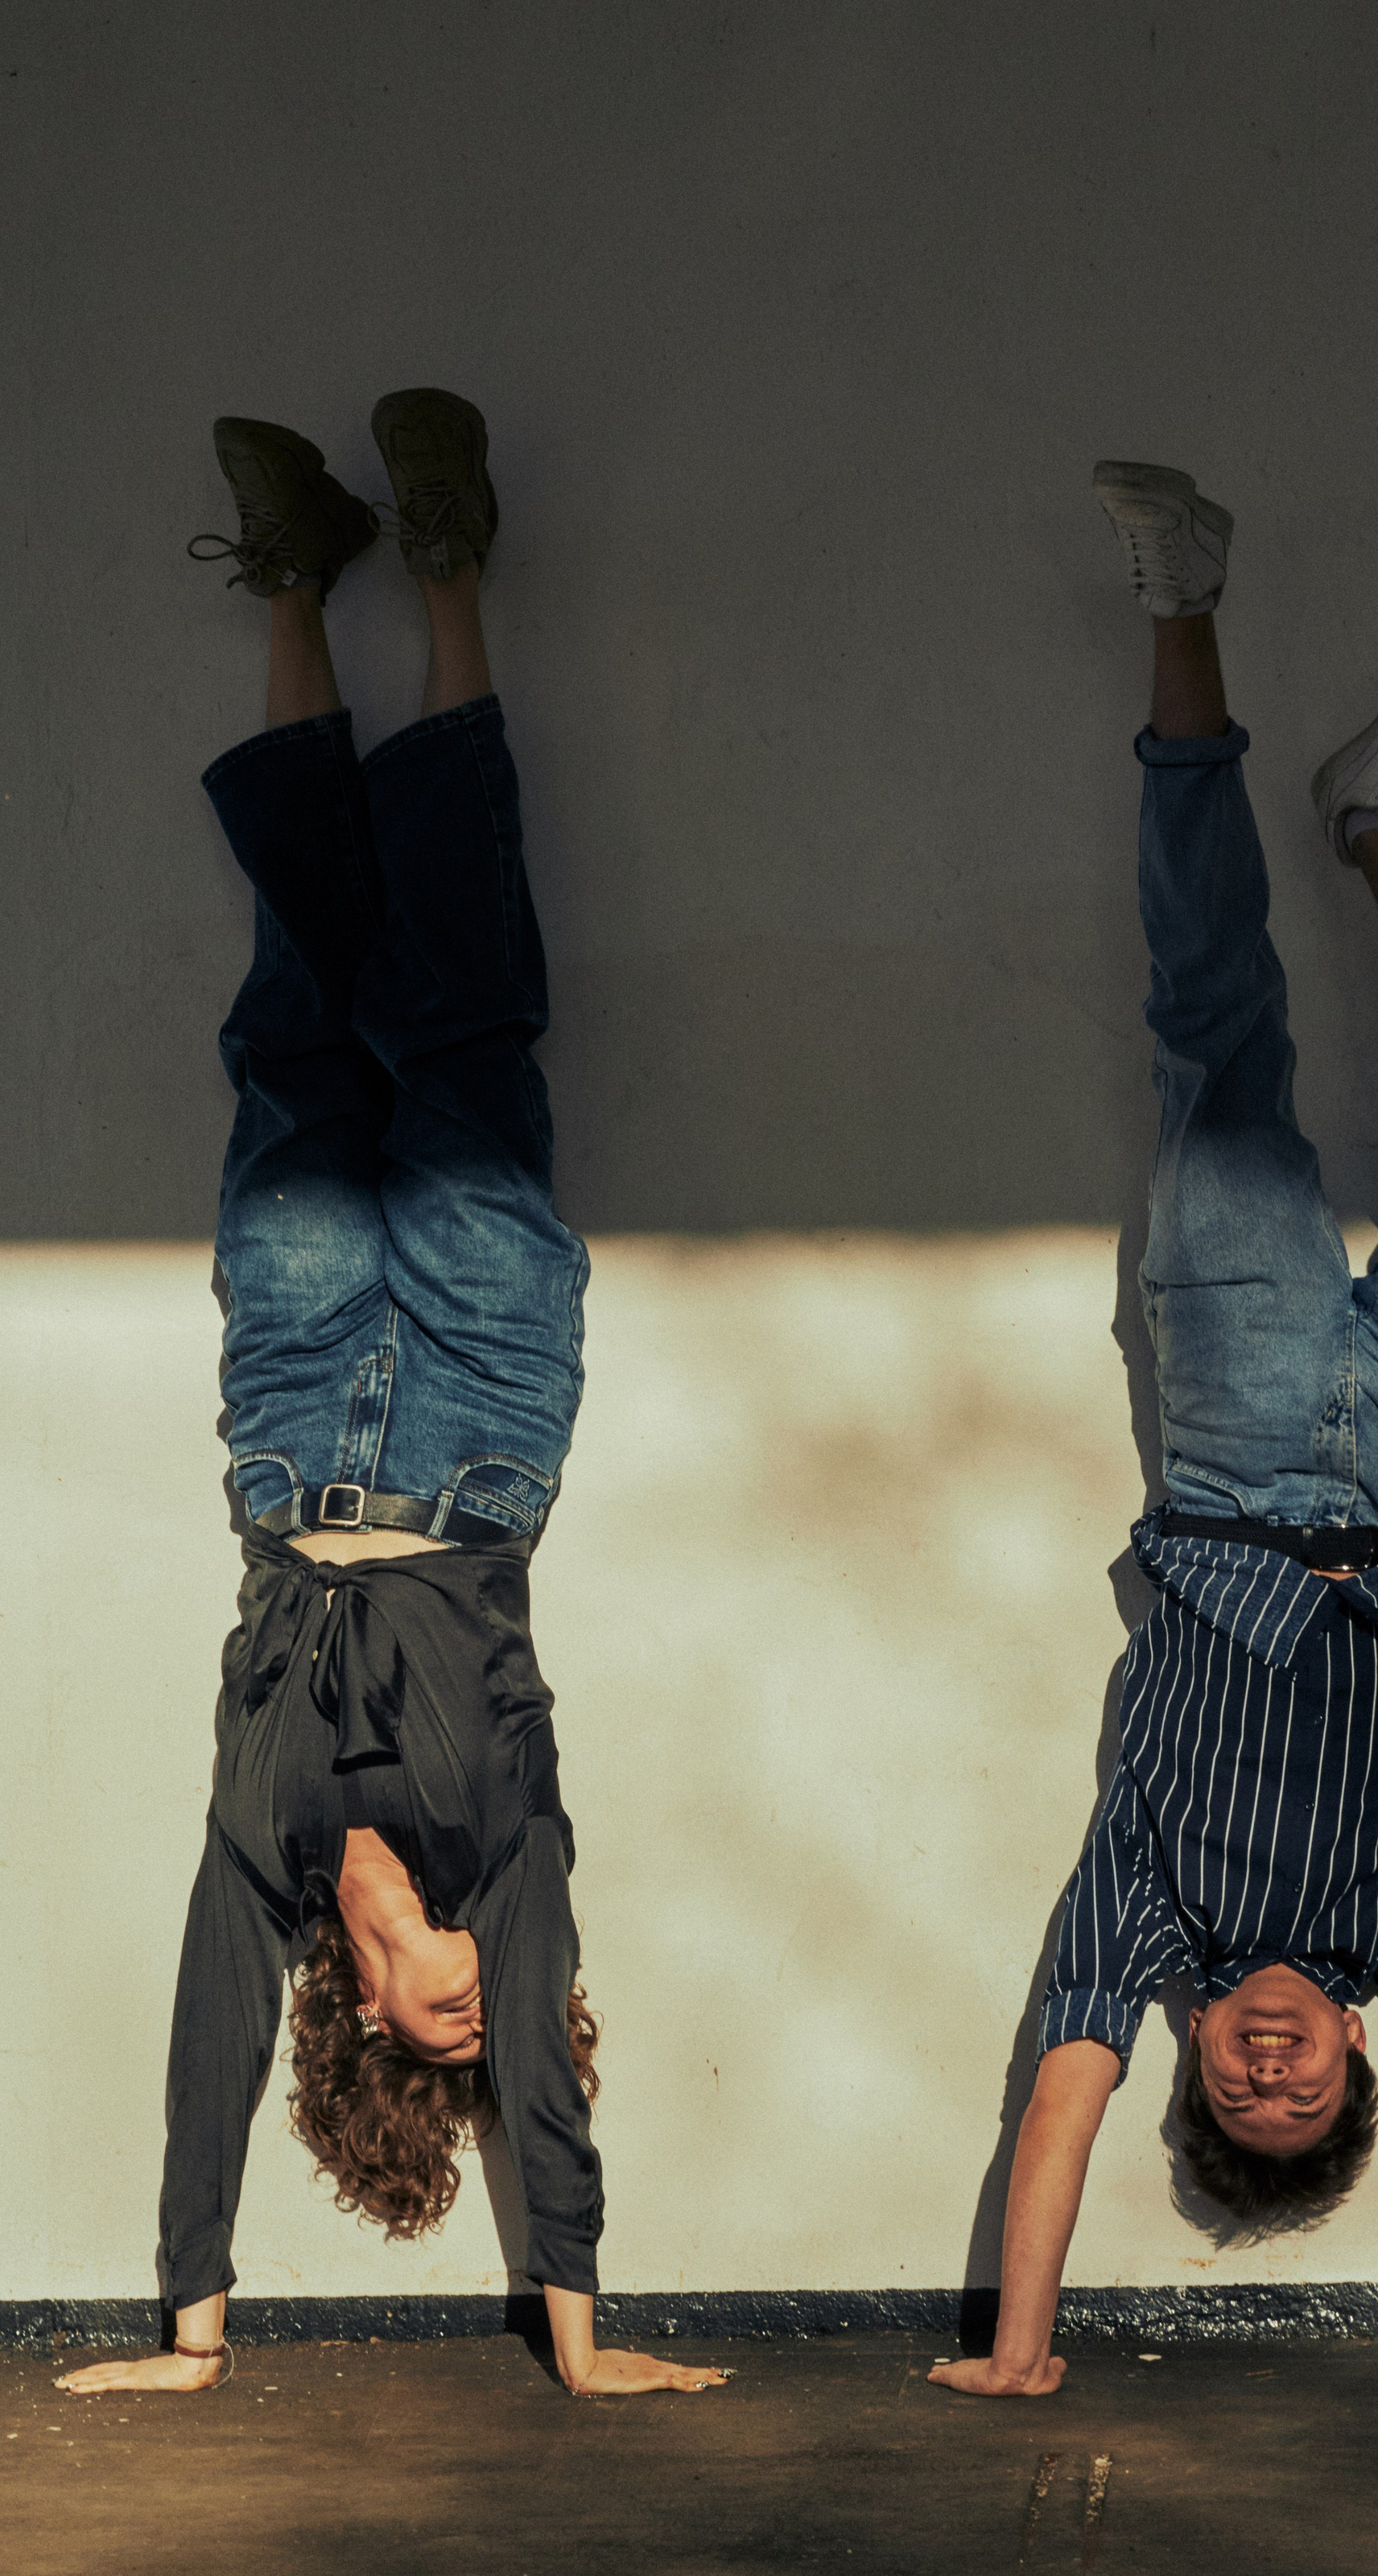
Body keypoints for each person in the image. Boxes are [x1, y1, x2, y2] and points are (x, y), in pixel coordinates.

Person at [931, 463, 1378, 2401]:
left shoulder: (1137, 1916)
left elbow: (1055, 2110)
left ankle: (1186, 615)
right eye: (1299, 2092)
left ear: (1190, 2061)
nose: (1263, 2067)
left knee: (1215, 1043)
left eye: (1229, 2094)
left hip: (1237, 1454)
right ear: (1342, 2061)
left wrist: (1017, 2353)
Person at [60, 396, 727, 2405]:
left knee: (291, 1011)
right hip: (483, 1410)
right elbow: (550, 2087)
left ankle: (293, 579)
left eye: (440, 2030)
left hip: (284, 1417)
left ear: (368, 2009)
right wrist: (585, 2343)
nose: (496, 2014)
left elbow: (200, 2072)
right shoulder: (510, 1859)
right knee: (456, 1002)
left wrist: (189, 2337)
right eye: (486, 2022)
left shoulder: (253, 1873)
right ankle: (443, 566)